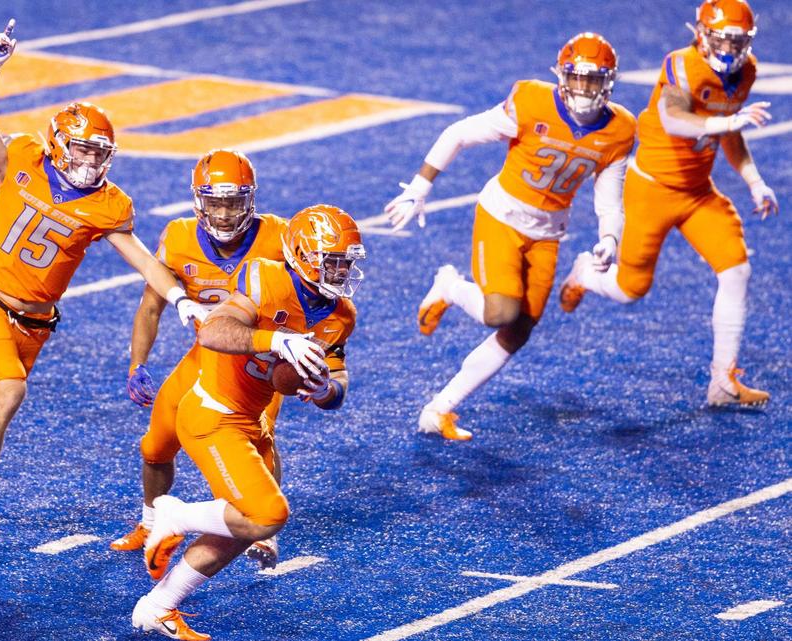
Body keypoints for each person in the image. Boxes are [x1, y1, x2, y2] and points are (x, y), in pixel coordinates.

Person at [0, 21, 208, 542]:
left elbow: (145, 260)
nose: (91, 161)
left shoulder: (107, 205)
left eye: (99, 153)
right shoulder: (24, 159)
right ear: (59, 145)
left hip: (35, 324)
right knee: (9, 391)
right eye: (82, 151)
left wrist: (179, 300)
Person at [385, 33, 635, 440]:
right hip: (502, 215)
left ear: (607, 83)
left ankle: (439, 409)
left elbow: (610, 198)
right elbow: (460, 132)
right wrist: (419, 186)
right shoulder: (533, 101)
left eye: (593, 80)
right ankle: (449, 286)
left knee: (518, 330)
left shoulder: (619, 129)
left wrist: (609, 237)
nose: (584, 89)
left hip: (549, 231)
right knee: (499, 312)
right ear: (562, 77)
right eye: (577, 78)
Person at [132, 205, 364, 640]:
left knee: (244, 527)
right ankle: (176, 515)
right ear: (302, 255)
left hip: (251, 419)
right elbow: (214, 333)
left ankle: (158, 607)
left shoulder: (340, 315)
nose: (341, 270)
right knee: (269, 515)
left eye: (346, 261)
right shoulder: (264, 278)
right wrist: (275, 339)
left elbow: (338, 382)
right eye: (332, 260)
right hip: (214, 415)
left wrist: (325, 391)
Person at [559, 0, 776, 407]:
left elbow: (730, 134)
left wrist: (754, 180)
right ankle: (586, 274)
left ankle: (722, 381)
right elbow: (675, 119)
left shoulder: (746, 72)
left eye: (736, 41)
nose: (729, 50)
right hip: (652, 189)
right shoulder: (682, 64)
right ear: (701, 34)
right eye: (721, 39)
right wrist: (728, 122)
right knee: (630, 290)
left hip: (697, 192)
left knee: (736, 270)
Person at [110, 149, 290, 571]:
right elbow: (151, 305)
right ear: (198, 200)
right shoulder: (178, 238)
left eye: (233, 201)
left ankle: (264, 530)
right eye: (216, 201)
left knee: (258, 439)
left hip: (257, 363)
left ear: (250, 200)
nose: (225, 213)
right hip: (203, 355)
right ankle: (151, 520)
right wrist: (138, 361)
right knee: (155, 446)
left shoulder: (278, 238)